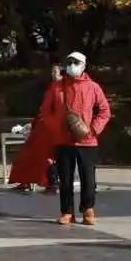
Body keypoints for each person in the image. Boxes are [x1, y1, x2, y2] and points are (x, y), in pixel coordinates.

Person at [39, 51, 111, 226]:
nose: (72, 65)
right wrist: (57, 127)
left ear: (84, 66)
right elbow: (45, 113)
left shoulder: (93, 87)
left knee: (89, 179)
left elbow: (104, 111)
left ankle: (88, 209)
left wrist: (93, 129)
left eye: (76, 62)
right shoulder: (56, 88)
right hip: (63, 141)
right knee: (65, 179)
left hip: (87, 141)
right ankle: (67, 212)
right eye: (69, 62)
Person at [8, 64, 65, 193]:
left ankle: (51, 184)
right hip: (41, 127)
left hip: (51, 129)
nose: (53, 74)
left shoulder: (63, 89)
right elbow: (44, 110)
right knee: (26, 155)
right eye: (52, 71)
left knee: (46, 157)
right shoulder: (52, 87)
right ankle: (25, 181)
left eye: (55, 72)